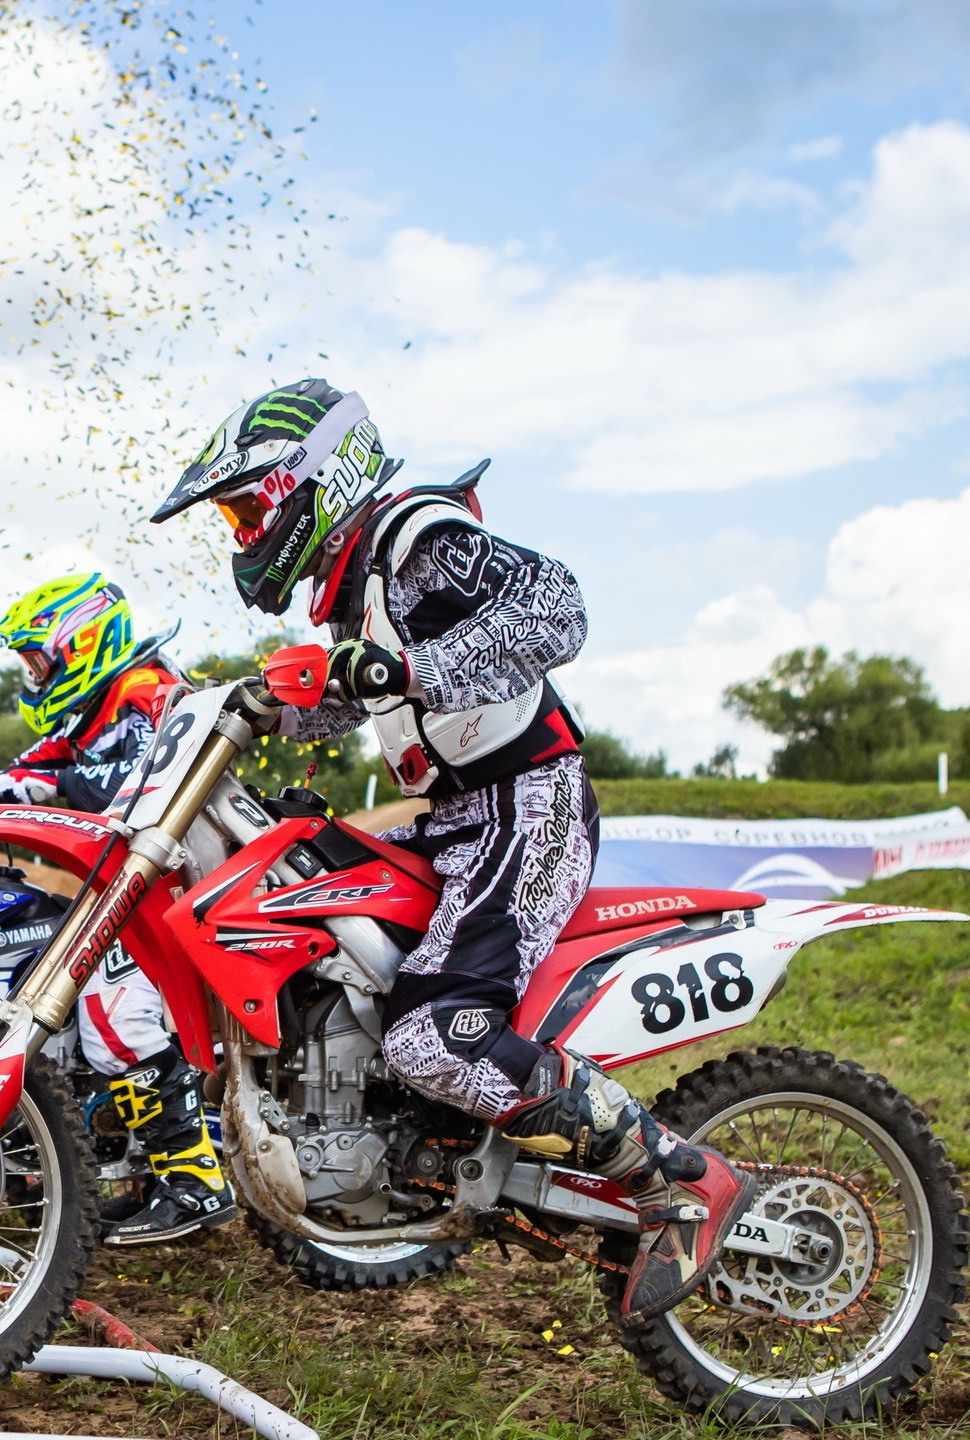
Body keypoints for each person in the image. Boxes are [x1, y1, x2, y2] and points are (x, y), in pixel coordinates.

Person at [149, 377, 754, 1324]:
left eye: (246, 507)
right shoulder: (360, 588)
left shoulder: (417, 537)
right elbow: (357, 696)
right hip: (459, 818)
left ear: (313, 479)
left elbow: (557, 608)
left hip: (527, 807)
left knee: (435, 1036)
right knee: (328, 939)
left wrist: (403, 666)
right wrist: (254, 699)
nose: (243, 534)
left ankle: (680, 1178)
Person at [0, 573, 226, 1247]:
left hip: (198, 884)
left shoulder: (145, 690)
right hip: (149, 890)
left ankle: (196, 1182)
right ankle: (148, 1178)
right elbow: (26, 767)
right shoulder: (91, 712)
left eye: (37, 660)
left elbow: (145, 774)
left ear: (78, 642)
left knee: (116, 1017)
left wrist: (34, 783)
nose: (30, 677)